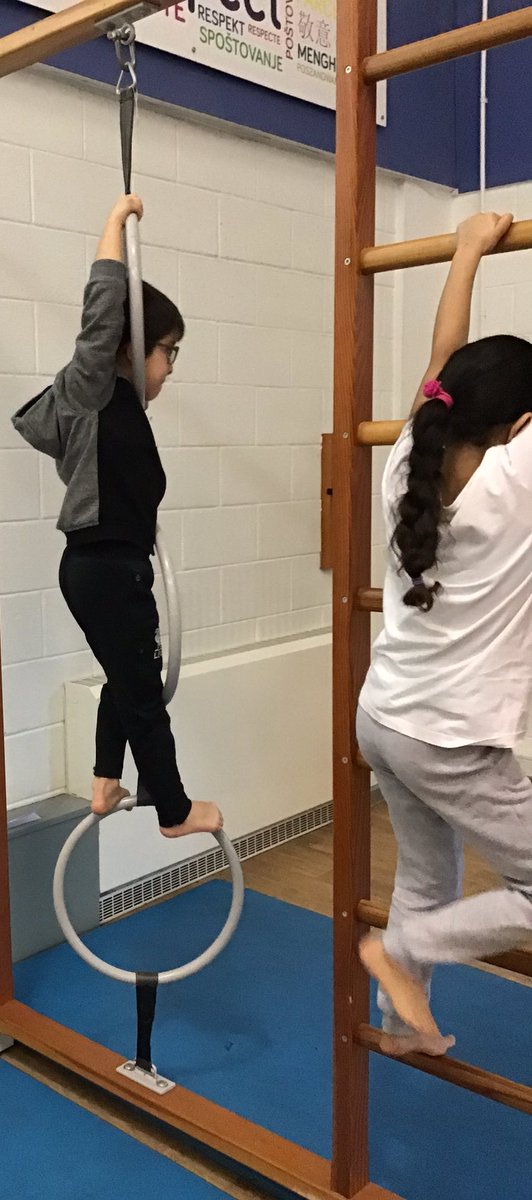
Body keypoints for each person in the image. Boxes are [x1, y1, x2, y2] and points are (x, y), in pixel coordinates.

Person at [356, 210, 532, 1057]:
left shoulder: (408, 460)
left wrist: (464, 253)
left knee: (428, 875)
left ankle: (403, 1013)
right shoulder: (515, 482)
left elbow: (441, 361)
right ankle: (401, 955)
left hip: (383, 718)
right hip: (449, 739)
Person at [13, 195, 223, 838]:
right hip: (105, 567)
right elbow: (101, 314)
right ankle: (175, 810)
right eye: (168, 351)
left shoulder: (120, 411)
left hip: (109, 568)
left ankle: (106, 781)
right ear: (130, 348)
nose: (170, 368)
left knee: (129, 673)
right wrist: (113, 224)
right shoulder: (93, 389)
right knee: (142, 691)